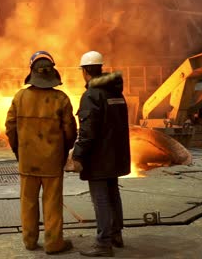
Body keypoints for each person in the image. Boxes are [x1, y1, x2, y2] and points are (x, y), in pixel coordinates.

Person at [5, 51, 77, 255]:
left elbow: (10, 127)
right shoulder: (61, 99)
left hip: (27, 160)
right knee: (52, 203)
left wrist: (18, 150)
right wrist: (63, 151)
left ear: (32, 73)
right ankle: (53, 244)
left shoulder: (20, 97)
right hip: (52, 162)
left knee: (27, 202)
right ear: (52, 73)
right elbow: (70, 130)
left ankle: (29, 240)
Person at [72, 51, 131, 257]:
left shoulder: (91, 95)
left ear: (86, 71)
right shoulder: (116, 92)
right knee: (113, 194)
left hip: (99, 157)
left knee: (101, 199)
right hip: (115, 155)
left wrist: (78, 155)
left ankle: (103, 244)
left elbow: (87, 131)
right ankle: (116, 235)